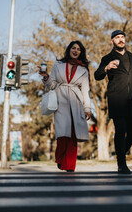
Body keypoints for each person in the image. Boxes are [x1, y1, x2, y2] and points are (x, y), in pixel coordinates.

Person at [94, 30, 132, 174]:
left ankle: (119, 153)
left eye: (122, 37)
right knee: (120, 132)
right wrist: (106, 67)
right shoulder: (107, 58)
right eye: (117, 38)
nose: (121, 40)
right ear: (112, 41)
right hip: (117, 100)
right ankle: (122, 164)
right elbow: (97, 75)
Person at [39, 40, 91, 172]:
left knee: (73, 135)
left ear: (81, 52)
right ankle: (60, 158)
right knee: (62, 134)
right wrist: (46, 77)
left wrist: (87, 108)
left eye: (78, 49)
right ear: (69, 50)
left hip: (76, 103)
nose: (75, 51)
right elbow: (53, 84)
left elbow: (85, 90)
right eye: (73, 48)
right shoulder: (58, 65)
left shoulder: (83, 69)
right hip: (60, 101)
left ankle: (70, 166)